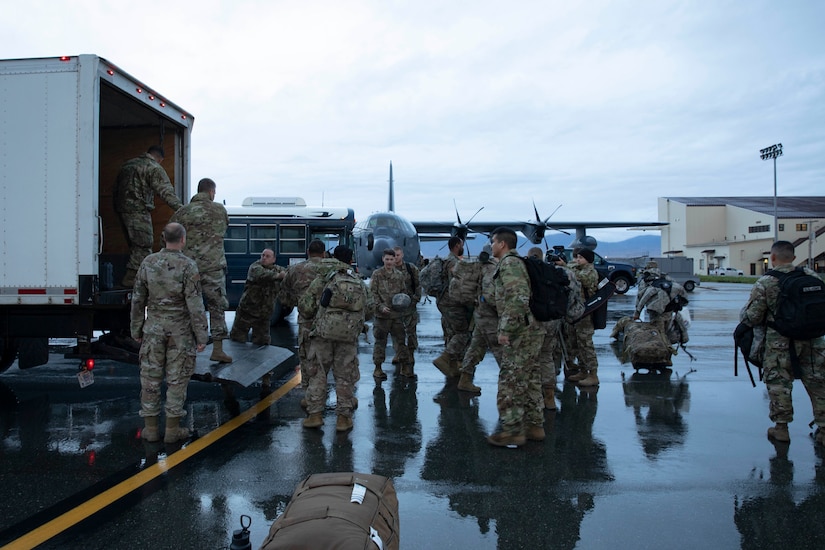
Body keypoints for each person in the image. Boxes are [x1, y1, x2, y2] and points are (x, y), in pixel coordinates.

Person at [739, 240, 825, 445]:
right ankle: (823, 429)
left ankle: (781, 428)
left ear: (773, 258)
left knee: (779, 383)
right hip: (813, 339)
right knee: (819, 382)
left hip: (781, 340)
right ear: (794, 258)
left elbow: (752, 316)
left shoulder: (767, 282)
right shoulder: (812, 277)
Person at [130, 222, 208, 444]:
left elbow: (137, 300)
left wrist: (136, 329)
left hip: (153, 329)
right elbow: (195, 305)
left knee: (150, 379)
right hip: (180, 332)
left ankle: (151, 429)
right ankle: (172, 430)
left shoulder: (148, 262)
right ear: (183, 239)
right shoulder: (188, 266)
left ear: (163, 238)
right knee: (177, 380)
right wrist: (202, 336)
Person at [299, 245, 372, 432]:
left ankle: (315, 414)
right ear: (350, 260)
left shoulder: (323, 277)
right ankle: (343, 418)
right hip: (348, 336)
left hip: (323, 333)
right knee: (344, 376)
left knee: (318, 372)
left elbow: (306, 307)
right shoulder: (357, 280)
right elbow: (369, 309)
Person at [487, 227, 545, 447]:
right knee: (529, 379)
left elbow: (518, 298)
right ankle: (534, 426)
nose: (491, 245)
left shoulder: (510, 264)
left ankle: (512, 431)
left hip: (520, 332)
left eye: (493, 241)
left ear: (502, 244)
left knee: (511, 381)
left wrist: (505, 330)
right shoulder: (518, 263)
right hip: (531, 329)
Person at [171, 178, 232, 363]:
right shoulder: (220, 210)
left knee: (187, 308)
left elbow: (168, 235)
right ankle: (218, 350)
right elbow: (224, 228)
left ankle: (184, 350)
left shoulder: (182, 212)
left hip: (189, 269)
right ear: (212, 192)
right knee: (217, 307)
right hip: (213, 269)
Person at [114, 145, 183, 287]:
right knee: (143, 246)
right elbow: (166, 192)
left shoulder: (128, 165)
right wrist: (183, 210)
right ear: (160, 159)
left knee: (135, 246)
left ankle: (135, 280)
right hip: (138, 211)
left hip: (122, 210)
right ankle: (132, 281)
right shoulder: (153, 167)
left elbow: (115, 190)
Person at [280, 240, 340, 399]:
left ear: (308, 252)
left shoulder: (295, 269)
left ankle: (308, 393)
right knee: (329, 356)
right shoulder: (333, 268)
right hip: (329, 320)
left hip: (306, 320)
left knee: (306, 356)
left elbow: (284, 297)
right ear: (323, 253)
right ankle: (325, 389)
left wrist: (297, 301)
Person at [456, 243, 500, 394]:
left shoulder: (481, 266)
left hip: (481, 315)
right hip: (489, 317)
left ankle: (465, 379)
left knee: (475, 348)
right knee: (501, 352)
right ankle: (511, 388)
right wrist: (502, 310)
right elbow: (489, 295)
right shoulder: (491, 267)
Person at [371, 249, 414, 379]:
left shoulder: (399, 275)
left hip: (396, 315)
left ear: (395, 260)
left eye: (391, 259)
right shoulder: (377, 275)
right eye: (387, 259)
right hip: (382, 316)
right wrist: (380, 307)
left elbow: (403, 292)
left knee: (401, 341)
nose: (389, 262)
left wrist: (403, 304)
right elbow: (372, 294)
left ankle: (404, 367)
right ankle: (378, 368)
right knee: (380, 342)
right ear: (383, 259)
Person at [229, 248, 286, 346]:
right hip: (247, 312)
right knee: (237, 340)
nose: (264, 258)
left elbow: (288, 273)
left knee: (262, 343)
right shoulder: (255, 267)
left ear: (274, 259)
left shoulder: (277, 269)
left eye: (267, 256)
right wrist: (279, 276)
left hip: (264, 314)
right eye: (262, 255)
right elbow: (263, 275)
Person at [433, 236, 471, 377]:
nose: (463, 247)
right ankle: (444, 359)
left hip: (445, 302)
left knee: (452, 332)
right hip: (451, 302)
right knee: (463, 333)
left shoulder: (447, 260)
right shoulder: (453, 262)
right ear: (456, 246)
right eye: (461, 245)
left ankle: (453, 366)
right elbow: (458, 281)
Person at [567, 248, 601, 387]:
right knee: (577, 343)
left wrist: (566, 267)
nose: (577, 260)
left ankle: (593, 374)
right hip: (576, 313)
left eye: (580, 258)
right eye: (577, 257)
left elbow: (582, 279)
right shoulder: (579, 269)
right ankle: (582, 370)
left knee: (586, 344)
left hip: (586, 313)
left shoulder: (590, 271)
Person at [393, 245, 421, 375]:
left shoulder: (411, 269)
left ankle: (410, 353)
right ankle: (398, 353)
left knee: (411, 331)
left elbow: (418, 284)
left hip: (409, 306)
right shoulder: (389, 270)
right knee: (396, 333)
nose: (396, 258)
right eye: (394, 255)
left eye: (398, 255)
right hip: (395, 307)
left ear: (402, 255)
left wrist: (415, 299)